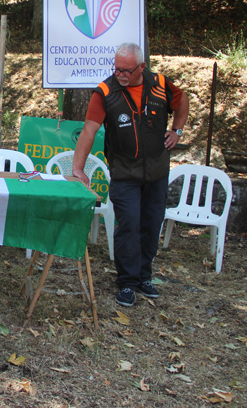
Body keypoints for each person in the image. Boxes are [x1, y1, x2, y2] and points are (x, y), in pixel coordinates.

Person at [72, 43, 189, 308]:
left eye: (126, 70)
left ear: (142, 67)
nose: (121, 75)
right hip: (124, 172)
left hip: (157, 172)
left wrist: (177, 131)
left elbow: (183, 102)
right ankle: (126, 282)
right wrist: (78, 168)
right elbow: (89, 129)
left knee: (151, 224)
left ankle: (144, 277)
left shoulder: (159, 83)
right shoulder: (105, 91)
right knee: (128, 225)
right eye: (117, 70)